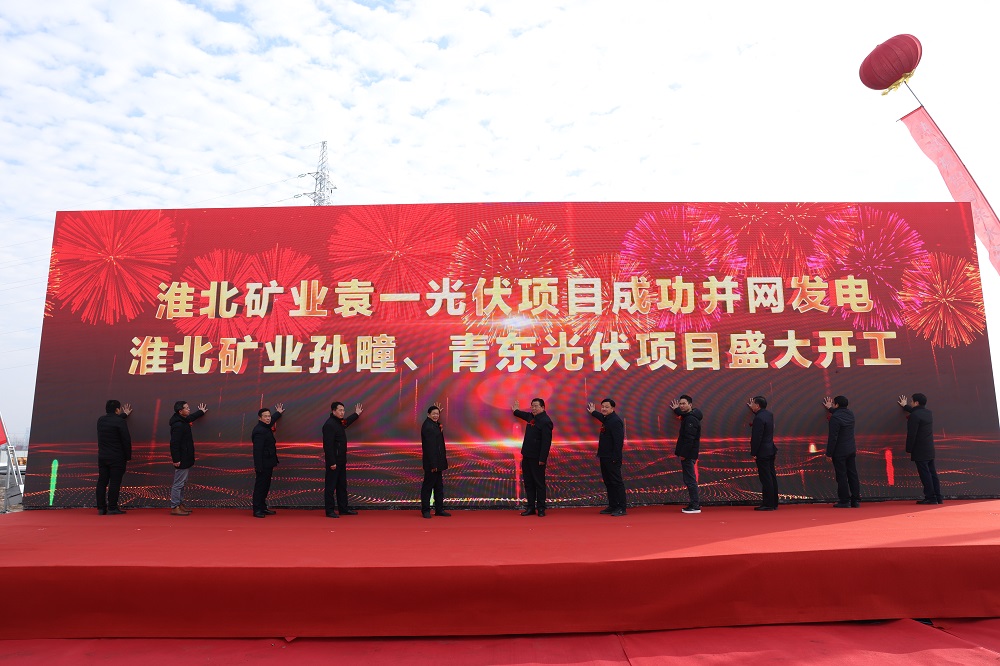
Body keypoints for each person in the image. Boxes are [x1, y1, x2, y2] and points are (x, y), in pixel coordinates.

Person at [511, 398, 553, 517]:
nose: (533, 408)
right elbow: (524, 415)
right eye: (532, 406)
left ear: (543, 407)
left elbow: (546, 443)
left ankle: (541, 508)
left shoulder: (546, 421)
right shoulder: (531, 417)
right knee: (528, 483)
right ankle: (530, 507)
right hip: (527, 455)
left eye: (536, 406)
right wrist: (515, 411)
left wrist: (542, 459)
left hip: (537, 458)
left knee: (539, 483)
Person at [898, 393, 942, 505]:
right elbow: (917, 413)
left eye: (911, 401)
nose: (911, 403)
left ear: (916, 403)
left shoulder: (915, 416)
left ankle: (930, 497)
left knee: (925, 474)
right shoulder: (928, 413)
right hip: (929, 449)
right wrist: (906, 406)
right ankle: (938, 497)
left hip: (919, 450)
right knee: (932, 473)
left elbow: (911, 434)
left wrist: (909, 449)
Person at [322, 401, 363, 518]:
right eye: (340, 410)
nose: (342, 412)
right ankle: (329, 510)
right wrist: (332, 462)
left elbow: (346, 422)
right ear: (333, 411)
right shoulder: (329, 425)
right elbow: (328, 446)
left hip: (341, 460)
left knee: (341, 486)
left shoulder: (339, 422)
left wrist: (356, 414)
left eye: (343, 410)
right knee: (330, 487)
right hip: (334, 462)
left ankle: (343, 508)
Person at [587, 398, 626, 516]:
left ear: (612, 408)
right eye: (602, 406)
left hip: (612, 458)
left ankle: (621, 507)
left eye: (606, 407)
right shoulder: (607, 418)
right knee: (608, 482)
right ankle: (613, 505)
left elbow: (618, 442)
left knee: (616, 482)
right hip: (604, 456)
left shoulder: (615, 421)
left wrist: (615, 458)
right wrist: (593, 412)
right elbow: (602, 417)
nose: (604, 409)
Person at [169, 400, 208, 515]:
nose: (189, 409)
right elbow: (174, 444)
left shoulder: (183, 420)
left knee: (182, 483)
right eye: (186, 408)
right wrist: (176, 459)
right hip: (182, 459)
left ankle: (179, 504)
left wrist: (201, 412)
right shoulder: (178, 425)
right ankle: (175, 506)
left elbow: (191, 417)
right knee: (178, 484)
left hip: (186, 457)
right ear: (180, 411)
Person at [96, 399, 132, 515]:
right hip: (117, 457)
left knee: (102, 482)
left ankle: (101, 507)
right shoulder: (120, 422)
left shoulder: (101, 420)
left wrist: (124, 415)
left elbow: (112, 422)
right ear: (117, 409)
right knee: (115, 482)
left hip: (103, 456)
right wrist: (128, 456)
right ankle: (112, 507)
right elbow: (126, 440)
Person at [823, 395, 860, 508]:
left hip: (839, 452)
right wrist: (830, 409)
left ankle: (844, 500)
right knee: (853, 474)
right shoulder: (850, 414)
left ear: (837, 404)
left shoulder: (835, 418)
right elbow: (839, 413)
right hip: (851, 449)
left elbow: (833, 437)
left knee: (841, 476)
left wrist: (829, 454)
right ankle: (855, 500)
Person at [671, 395, 703, 514]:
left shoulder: (690, 420)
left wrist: (684, 454)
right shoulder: (690, 416)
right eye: (680, 404)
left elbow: (689, 439)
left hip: (688, 454)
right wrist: (676, 410)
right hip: (689, 454)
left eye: (684, 403)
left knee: (690, 480)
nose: (681, 406)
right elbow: (683, 414)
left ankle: (695, 505)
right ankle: (694, 503)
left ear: (690, 404)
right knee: (689, 479)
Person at [251, 404, 284, 518]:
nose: (268, 418)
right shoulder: (259, 431)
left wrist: (278, 412)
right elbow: (257, 451)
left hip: (268, 463)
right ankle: (257, 509)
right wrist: (258, 466)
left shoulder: (265, 426)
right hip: (263, 464)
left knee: (265, 486)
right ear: (260, 418)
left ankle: (262, 507)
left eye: (269, 416)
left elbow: (273, 419)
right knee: (260, 487)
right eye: (265, 416)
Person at [420, 403, 451, 519]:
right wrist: (433, 465)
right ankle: (425, 510)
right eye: (433, 414)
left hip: (437, 462)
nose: (436, 416)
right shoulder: (428, 427)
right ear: (428, 414)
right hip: (432, 464)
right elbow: (430, 448)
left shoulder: (433, 424)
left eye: (437, 414)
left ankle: (439, 509)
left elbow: (437, 429)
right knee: (428, 487)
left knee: (438, 487)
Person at [747, 395, 778, 511]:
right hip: (770, 449)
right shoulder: (769, 415)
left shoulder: (759, 418)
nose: (752, 405)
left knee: (765, 478)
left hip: (762, 452)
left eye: (753, 403)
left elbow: (757, 437)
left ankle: (768, 504)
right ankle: (773, 502)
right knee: (771, 476)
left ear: (757, 405)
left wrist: (754, 452)